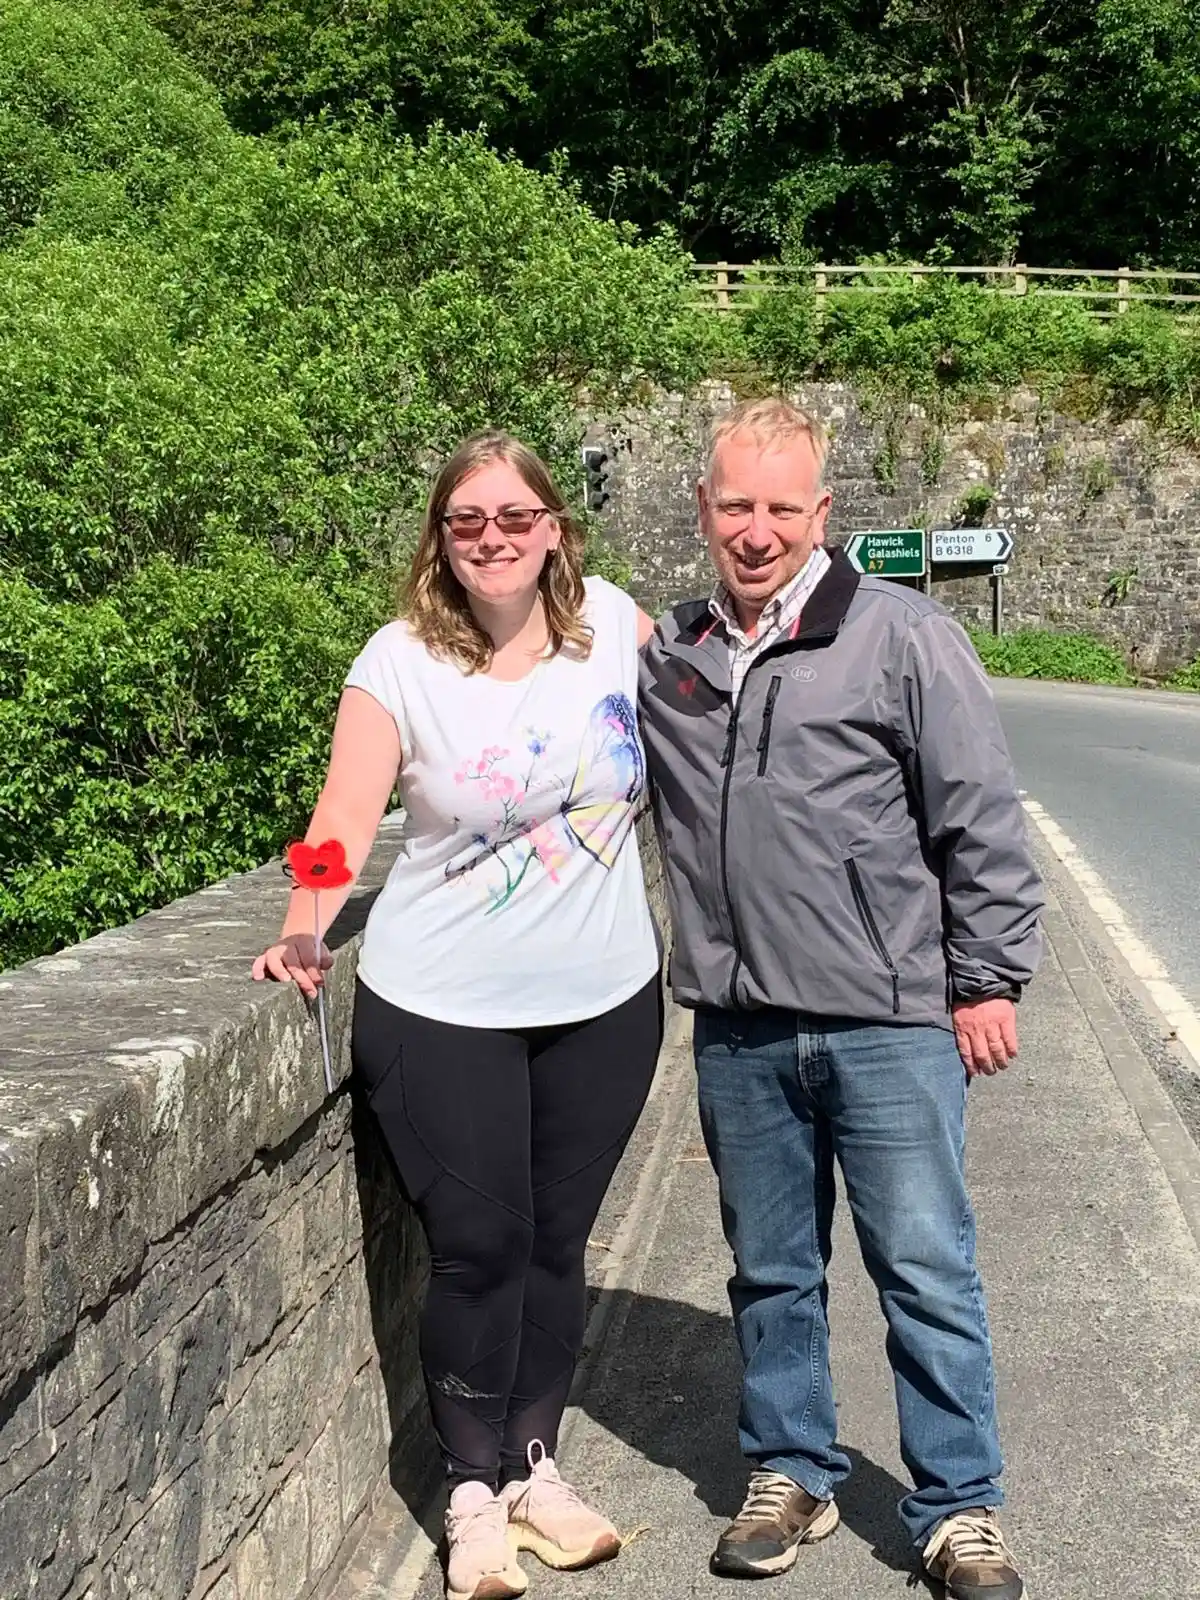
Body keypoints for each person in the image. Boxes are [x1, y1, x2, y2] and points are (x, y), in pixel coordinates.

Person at [638, 397, 1044, 1600]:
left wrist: (988, 977)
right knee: (771, 1269)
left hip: (890, 1019)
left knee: (924, 1268)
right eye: (735, 505)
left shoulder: (901, 635)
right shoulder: (670, 657)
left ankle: (959, 1504)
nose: (756, 530)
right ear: (702, 509)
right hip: (740, 1022)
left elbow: (980, 813)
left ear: (821, 513)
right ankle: (792, 1470)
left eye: (781, 507)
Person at [253, 431, 663, 1600]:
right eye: (467, 520)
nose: (493, 537)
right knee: (480, 1248)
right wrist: (304, 921)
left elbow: (718, 734)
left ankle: (536, 1467)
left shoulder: (615, 629)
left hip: (604, 1002)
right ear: (441, 539)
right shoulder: (400, 660)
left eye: (515, 517)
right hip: (441, 1006)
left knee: (556, 1243)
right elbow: (342, 816)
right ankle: (471, 1491)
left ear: (554, 531)